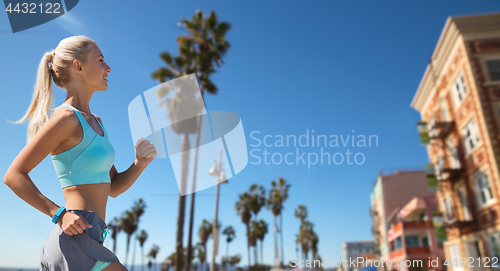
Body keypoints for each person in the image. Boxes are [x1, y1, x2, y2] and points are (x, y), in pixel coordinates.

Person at [3, 35, 157, 271]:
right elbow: (13, 175)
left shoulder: (97, 122)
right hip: (74, 238)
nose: (108, 68)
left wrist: (139, 163)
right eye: (101, 60)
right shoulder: (66, 118)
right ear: (78, 66)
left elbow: (112, 187)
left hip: (92, 235)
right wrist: (58, 214)